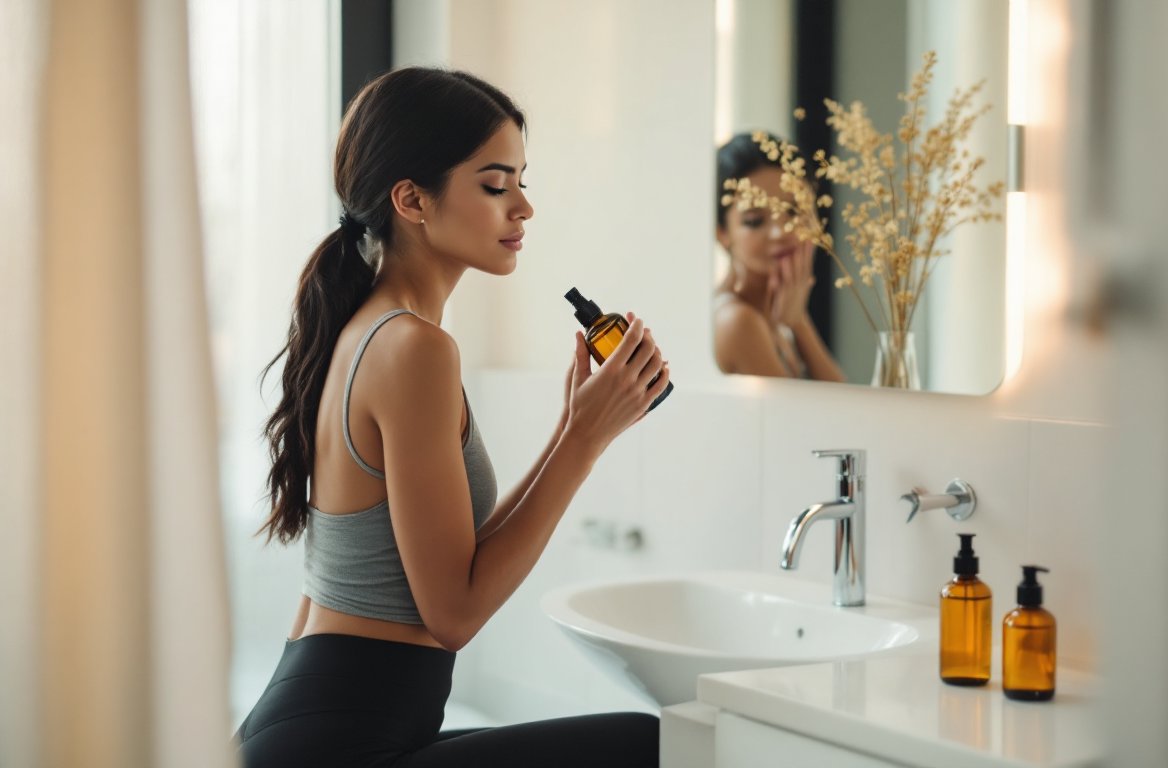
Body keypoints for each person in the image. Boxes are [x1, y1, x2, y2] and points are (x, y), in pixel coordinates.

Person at [233, 67, 667, 767]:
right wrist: (584, 441)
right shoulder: (412, 348)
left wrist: (574, 425)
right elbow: (454, 614)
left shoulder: (375, 329)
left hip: (316, 726)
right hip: (338, 743)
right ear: (412, 200)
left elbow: (452, 561)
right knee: (655, 747)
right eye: (496, 185)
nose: (523, 207)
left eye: (524, 180)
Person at [713, 132, 845, 382]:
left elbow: (846, 403)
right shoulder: (738, 322)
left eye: (794, 212)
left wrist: (798, 322)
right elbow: (820, 419)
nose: (780, 232)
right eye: (754, 221)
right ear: (722, 233)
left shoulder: (778, 313)